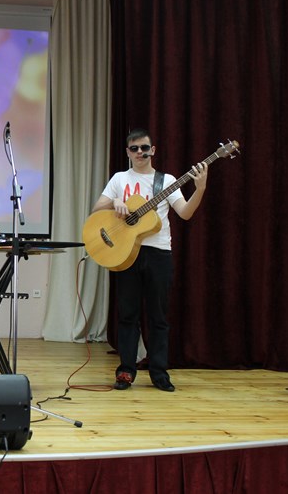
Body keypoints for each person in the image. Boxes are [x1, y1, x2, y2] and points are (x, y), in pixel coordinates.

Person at [91, 128, 207, 392]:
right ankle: (125, 371)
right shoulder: (119, 179)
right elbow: (97, 210)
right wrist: (115, 202)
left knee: (158, 316)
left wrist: (199, 189)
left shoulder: (167, 181)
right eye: (134, 148)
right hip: (125, 252)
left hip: (159, 253)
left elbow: (185, 213)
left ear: (152, 150)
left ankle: (159, 372)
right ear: (128, 152)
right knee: (127, 315)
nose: (140, 152)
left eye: (144, 148)